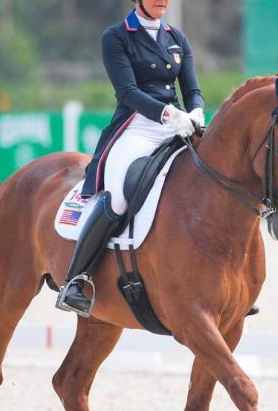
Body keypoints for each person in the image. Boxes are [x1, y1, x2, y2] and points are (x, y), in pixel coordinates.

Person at [56, 0, 204, 316]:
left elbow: (192, 88)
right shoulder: (117, 37)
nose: (162, 0)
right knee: (120, 196)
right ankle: (76, 279)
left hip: (178, 123)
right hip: (137, 126)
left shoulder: (177, 37)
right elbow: (127, 92)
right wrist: (165, 113)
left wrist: (196, 110)